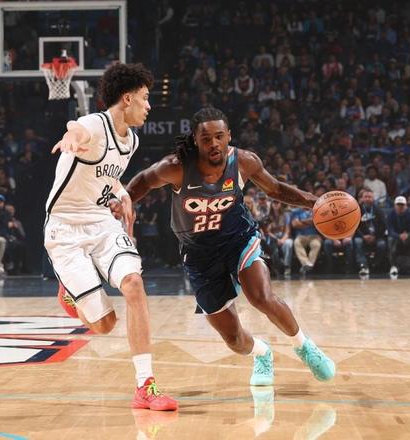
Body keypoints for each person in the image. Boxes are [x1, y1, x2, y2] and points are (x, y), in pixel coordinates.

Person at [125, 107, 335, 391]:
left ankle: (304, 347)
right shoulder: (176, 167)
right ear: (196, 140)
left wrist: (312, 201)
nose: (213, 143)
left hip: (238, 238)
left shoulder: (244, 161)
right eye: (206, 138)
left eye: (219, 136)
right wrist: (122, 201)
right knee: (233, 339)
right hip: (199, 254)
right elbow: (143, 181)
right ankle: (262, 352)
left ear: (228, 136)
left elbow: (274, 189)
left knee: (261, 297)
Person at [44, 63, 177, 411]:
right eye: (145, 98)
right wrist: (71, 139)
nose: (149, 106)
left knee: (133, 284)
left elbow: (107, 175)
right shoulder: (93, 124)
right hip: (65, 229)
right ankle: (69, 292)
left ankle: (145, 386)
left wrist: (122, 193)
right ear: (127, 98)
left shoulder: (131, 140)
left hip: (101, 221)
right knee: (104, 325)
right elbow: (77, 129)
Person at [353, 189, 387, 276]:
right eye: (366, 197)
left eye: (370, 197)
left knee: (382, 244)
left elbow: (383, 226)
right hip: (362, 236)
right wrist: (363, 236)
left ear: (373, 198)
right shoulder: (357, 210)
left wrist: (375, 236)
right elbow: (355, 226)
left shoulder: (379, 210)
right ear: (362, 198)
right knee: (357, 242)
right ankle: (363, 265)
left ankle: (375, 264)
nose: (368, 199)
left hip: (376, 236)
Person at [387, 196, 410, 276]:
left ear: (406, 206)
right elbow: (390, 230)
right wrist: (399, 236)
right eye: (398, 205)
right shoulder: (390, 215)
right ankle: (393, 265)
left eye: (402, 205)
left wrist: (407, 235)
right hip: (396, 236)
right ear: (394, 206)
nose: (400, 207)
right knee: (390, 240)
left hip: (407, 236)